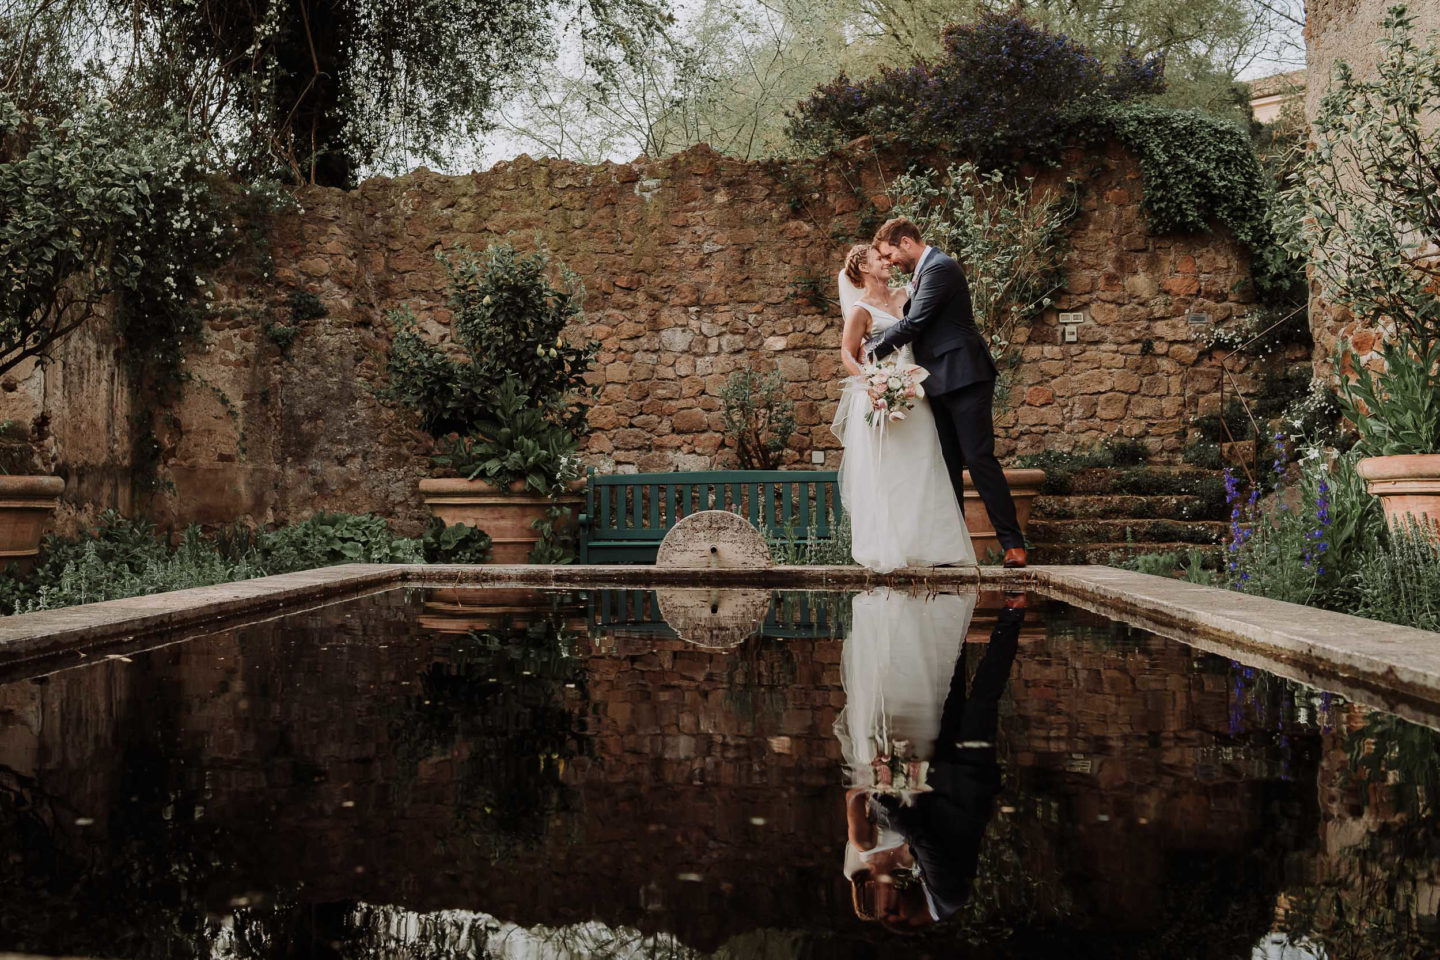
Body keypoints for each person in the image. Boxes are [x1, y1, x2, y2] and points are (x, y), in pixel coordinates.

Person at [837, 587, 1026, 928]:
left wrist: (894, 777)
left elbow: (915, 821)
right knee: (984, 695)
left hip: (942, 772)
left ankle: (956, 612)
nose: (894, 893)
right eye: (891, 904)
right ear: (900, 916)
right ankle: (1013, 613)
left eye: (884, 900)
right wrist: (887, 793)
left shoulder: (922, 884)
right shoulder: (948, 896)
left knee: (949, 683)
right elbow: (924, 838)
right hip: (967, 779)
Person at [865, 217, 1028, 569]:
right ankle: (952, 548)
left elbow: (916, 322)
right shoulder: (921, 274)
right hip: (936, 382)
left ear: (906, 242)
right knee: (948, 466)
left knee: (979, 457)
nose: (890, 261)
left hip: (965, 376)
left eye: (890, 253)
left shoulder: (940, 268)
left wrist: (872, 350)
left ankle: (1013, 545)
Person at [832, 244, 976, 572]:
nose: (888, 262)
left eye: (887, 257)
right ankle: (894, 547)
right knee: (890, 472)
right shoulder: (860, 310)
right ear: (865, 268)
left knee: (927, 462)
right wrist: (871, 383)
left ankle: (935, 547)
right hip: (882, 394)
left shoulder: (904, 295)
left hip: (916, 389)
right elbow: (847, 352)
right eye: (879, 259)